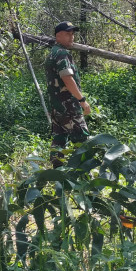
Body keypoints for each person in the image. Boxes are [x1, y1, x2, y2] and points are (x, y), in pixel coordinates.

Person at [45, 21, 91, 166]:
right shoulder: (62, 53)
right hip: (69, 106)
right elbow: (67, 78)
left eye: (72, 34)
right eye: (67, 34)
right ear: (58, 36)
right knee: (83, 141)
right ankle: (85, 174)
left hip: (57, 107)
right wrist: (82, 100)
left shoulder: (52, 54)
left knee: (59, 139)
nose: (71, 37)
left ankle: (56, 174)